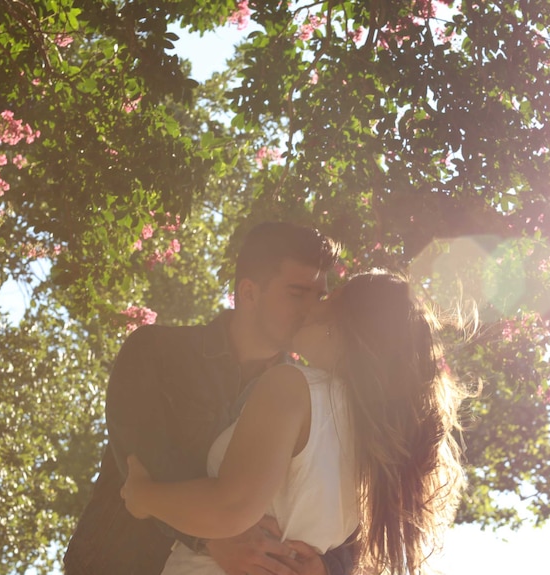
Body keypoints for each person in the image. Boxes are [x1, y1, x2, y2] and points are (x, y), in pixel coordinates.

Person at [120, 271, 466, 575]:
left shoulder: (293, 387)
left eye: (326, 299)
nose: (309, 309)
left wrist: (143, 496)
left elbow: (232, 508)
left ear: (344, 323)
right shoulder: (379, 443)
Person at [63, 222, 352, 575]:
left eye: (319, 297)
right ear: (248, 293)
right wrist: (212, 537)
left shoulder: (313, 398)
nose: (311, 310)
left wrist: (328, 567)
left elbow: (356, 500)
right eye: (296, 294)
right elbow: (144, 466)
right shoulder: (155, 351)